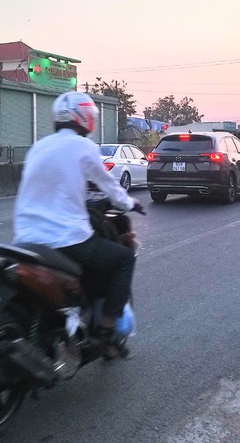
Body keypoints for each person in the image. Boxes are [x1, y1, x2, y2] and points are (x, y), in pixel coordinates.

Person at [13, 91, 143, 358]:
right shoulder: (84, 147)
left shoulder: (38, 146)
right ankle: (106, 329)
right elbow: (109, 185)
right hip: (66, 238)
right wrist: (129, 204)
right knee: (122, 260)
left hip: (25, 238)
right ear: (85, 119)